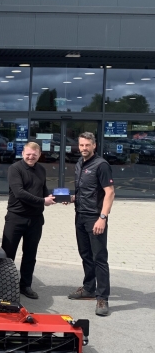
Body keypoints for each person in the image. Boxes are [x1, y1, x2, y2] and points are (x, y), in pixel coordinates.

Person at [66, 132, 115, 316]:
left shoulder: (101, 165)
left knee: (99, 258)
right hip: (80, 215)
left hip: (95, 217)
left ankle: (102, 298)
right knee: (85, 254)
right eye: (81, 145)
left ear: (94, 145)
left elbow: (109, 193)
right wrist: (72, 198)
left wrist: (102, 217)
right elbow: (84, 191)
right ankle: (88, 288)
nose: (84, 148)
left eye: (87, 145)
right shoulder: (79, 164)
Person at [1, 141, 56, 299]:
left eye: (34, 154)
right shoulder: (15, 169)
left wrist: (52, 198)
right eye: (28, 154)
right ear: (23, 153)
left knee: (30, 255)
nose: (31, 157)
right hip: (16, 218)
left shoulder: (41, 169)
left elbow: (42, 189)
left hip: (36, 219)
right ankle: (4, 286)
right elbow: (19, 192)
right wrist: (42, 201)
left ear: (39, 155)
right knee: (8, 254)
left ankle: (25, 285)